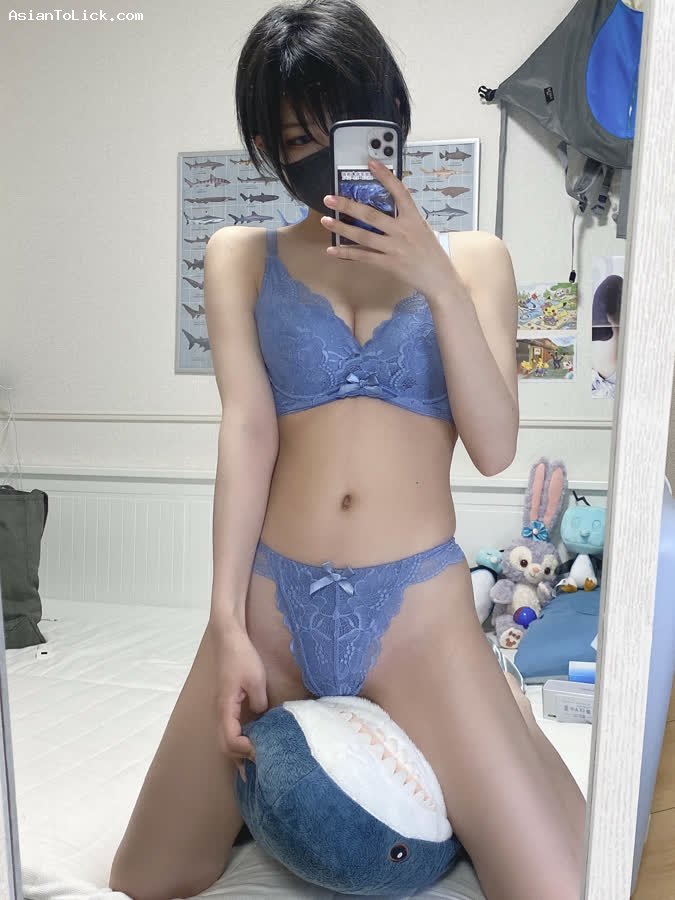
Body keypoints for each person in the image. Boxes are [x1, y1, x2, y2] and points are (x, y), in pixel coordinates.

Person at [110, 2, 586, 898]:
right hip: (272, 605)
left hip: (418, 617)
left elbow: (493, 447)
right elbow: (247, 431)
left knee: (554, 887)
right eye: (297, 139)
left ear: (390, 117)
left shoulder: (474, 259)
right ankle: (310, 780)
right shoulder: (239, 255)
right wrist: (225, 624)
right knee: (149, 875)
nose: (325, 156)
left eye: (346, 129)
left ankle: (494, 716)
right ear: (266, 147)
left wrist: (432, 277)